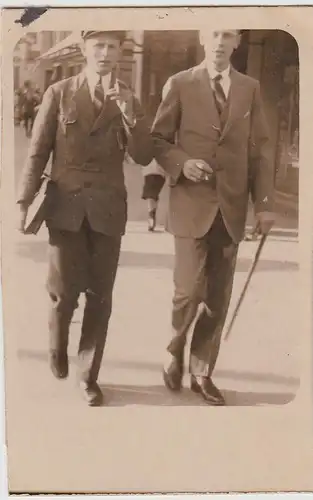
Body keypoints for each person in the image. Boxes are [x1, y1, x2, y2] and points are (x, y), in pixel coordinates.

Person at [17, 31, 153, 406]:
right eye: (99, 47)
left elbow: (142, 155)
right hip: (65, 206)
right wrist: (22, 200)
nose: (106, 54)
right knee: (64, 293)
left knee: (100, 296)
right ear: (84, 50)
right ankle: (57, 348)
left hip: (108, 209)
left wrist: (129, 113)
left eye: (112, 47)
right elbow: (38, 150)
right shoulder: (59, 92)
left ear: (121, 52)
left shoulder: (129, 97)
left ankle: (88, 373)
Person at [151, 29, 275, 405]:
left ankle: (202, 371)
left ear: (237, 42)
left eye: (228, 35)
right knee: (187, 292)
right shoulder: (180, 84)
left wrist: (265, 203)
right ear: (204, 39)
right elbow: (158, 140)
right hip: (191, 204)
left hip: (231, 207)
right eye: (214, 35)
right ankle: (174, 349)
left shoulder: (250, 88)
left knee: (217, 298)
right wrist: (182, 163)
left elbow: (262, 149)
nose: (220, 42)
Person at [141, 158, 166, 231]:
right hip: (158, 171)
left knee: (151, 194)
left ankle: (151, 215)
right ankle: (152, 215)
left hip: (151, 170)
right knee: (153, 195)